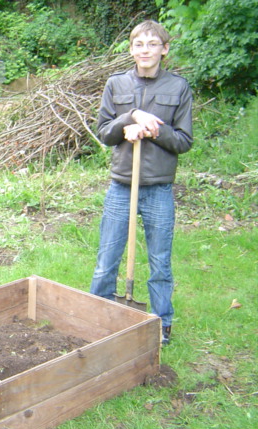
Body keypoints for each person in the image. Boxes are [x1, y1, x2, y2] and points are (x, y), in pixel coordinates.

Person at [89, 20, 193, 346]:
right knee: (107, 259)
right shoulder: (115, 84)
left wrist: (153, 129)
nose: (145, 50)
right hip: (122, 186)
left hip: (158, 188)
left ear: (164, 49)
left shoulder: (178, 88)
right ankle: (94, 317)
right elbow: (105, 133)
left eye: (152, 44)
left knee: (160, 262)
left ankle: (161, 326)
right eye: (139, 44)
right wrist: (129, 118)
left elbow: (184, 140)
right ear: (131, 49)